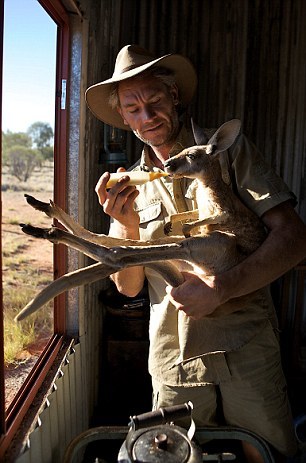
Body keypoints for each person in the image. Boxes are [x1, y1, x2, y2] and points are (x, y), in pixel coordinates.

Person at [85, 44, 306, 462]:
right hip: (175, 355)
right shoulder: (128, 183)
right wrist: (127, 225)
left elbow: (293, 238)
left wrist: (222, 289)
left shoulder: (227, 153)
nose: (146, 117)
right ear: (123, 118)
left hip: (247, 343)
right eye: (132, 108)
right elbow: (128, 287)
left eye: (154, 101)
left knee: (268, 451)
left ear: (175, 97)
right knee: (175, 454)